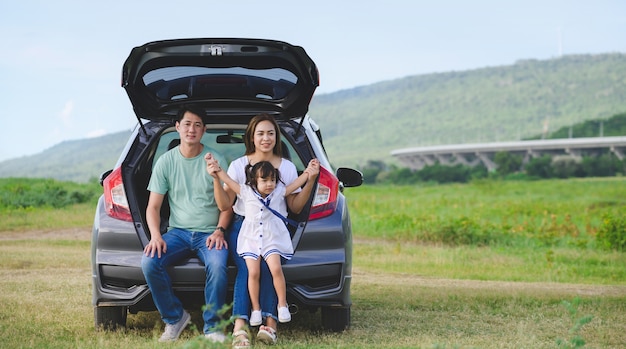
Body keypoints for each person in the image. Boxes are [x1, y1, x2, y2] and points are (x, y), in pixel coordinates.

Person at [211, 113, 319, 348]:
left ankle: (270, 324)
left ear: (276, 136)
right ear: (251, 136)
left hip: (274, 228)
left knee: (270, 266)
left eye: (270, 132)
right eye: (260, 133)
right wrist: (216, 178)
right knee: (248, 267)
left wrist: (309, 181)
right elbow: (226, 204)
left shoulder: (288, 168)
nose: (266, 138)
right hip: (244, 226)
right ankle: (240, 326)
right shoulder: (239, 166)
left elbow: (294, 206)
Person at [140, 105, 231, 343]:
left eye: (198, 125)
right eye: (187, 124)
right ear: (177, 127)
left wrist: (220, 231)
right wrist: (156, 236)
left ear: (204, 130)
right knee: (150, 262)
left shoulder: (216, 159)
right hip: (177, 233)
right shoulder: (165, 162)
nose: (192, 129)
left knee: (218, 267)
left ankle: (213, 327)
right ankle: (175, 318)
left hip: (209, 234)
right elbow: (153, 207)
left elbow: (227, 206)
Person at [205, 156, 319, 327]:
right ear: (254, 181)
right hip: (251, 238)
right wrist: (216, 168)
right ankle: (256, 309)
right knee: (253, 272)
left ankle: (282, 304)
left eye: (272, 180)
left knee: (275, 268)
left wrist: (310, 171)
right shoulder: (245, 191)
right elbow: (227, 179)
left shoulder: (279, 192)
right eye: (264, 180)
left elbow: (296, 184)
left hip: (271, 237)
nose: (269, 184)